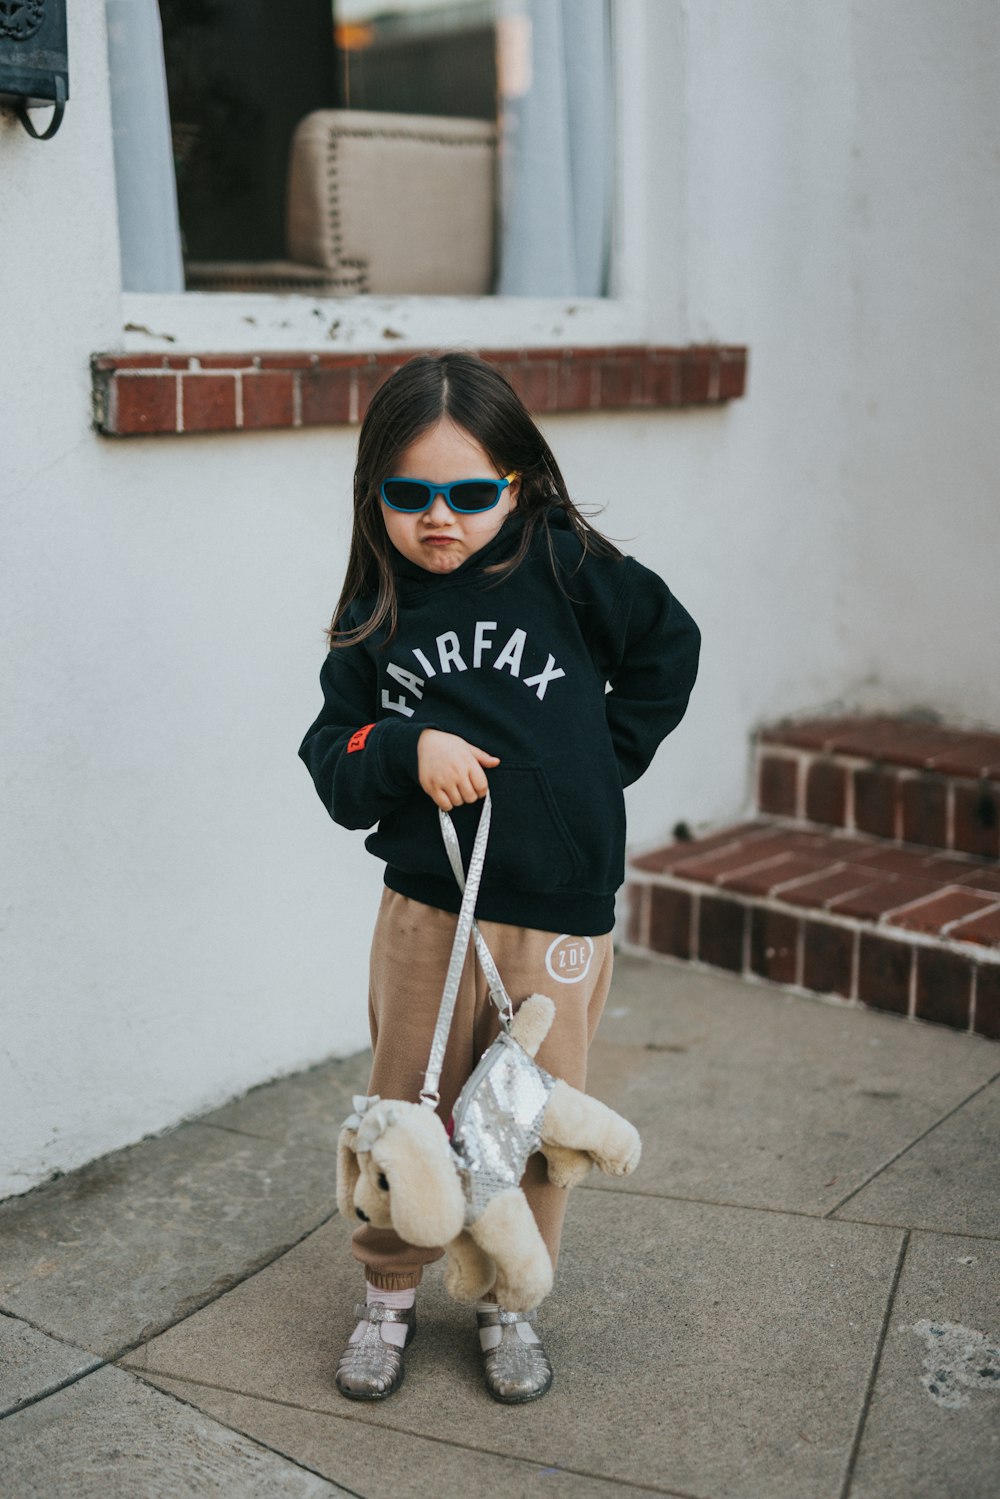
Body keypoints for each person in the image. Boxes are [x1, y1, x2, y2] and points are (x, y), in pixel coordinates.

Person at [298, 351, 701, 1404]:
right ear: (373, 494)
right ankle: (387, 1293)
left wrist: (593, 770)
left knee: (523, 1118)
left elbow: (668, 646)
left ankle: (507, 1296)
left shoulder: (563, 563)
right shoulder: (374, 603)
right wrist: (403, 744)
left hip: (557, 912)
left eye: (470, 492)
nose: (440, 517)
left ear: (515, 484)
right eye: (409, 493)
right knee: (407, 1108)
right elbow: (331, 758)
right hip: (428, 911)